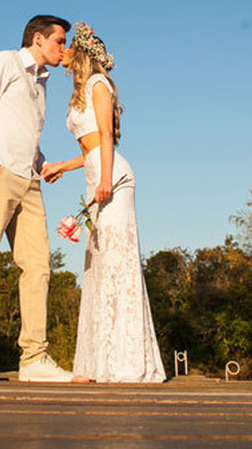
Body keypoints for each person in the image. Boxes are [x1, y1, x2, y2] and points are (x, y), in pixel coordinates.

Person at [43, 23, 166, 383]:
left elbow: (107, 138)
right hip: (97, 172)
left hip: (112, 178)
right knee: (97, 264)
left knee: (116, 261)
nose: (63, 52)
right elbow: (91, 146)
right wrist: (63, 166)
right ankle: (99, 362)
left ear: (82, 54)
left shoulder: (99, 85)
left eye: (69, 47)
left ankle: (125, 363)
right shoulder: (81, 91)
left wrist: (106, 179)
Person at [0, 14, 75, 383]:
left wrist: (43, 165)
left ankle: (34, 358)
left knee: (39, 267)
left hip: (29, 181)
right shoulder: (4, 61)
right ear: (38, 39)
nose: (64, 49)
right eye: (60, 41)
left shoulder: (42, 84)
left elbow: (25, 133)